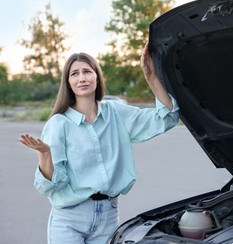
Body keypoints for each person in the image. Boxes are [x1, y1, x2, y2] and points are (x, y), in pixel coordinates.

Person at [19, 42, 180, 243]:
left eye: (87, 71)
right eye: (74, 74)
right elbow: (50, 186)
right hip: (69, 218)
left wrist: (151, 77)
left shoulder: (116, 113)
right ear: (68, 82)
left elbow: (166, 118)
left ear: (97, 76)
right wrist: (45, 153)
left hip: (108, 217)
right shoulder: (59, 124)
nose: (82, 78)